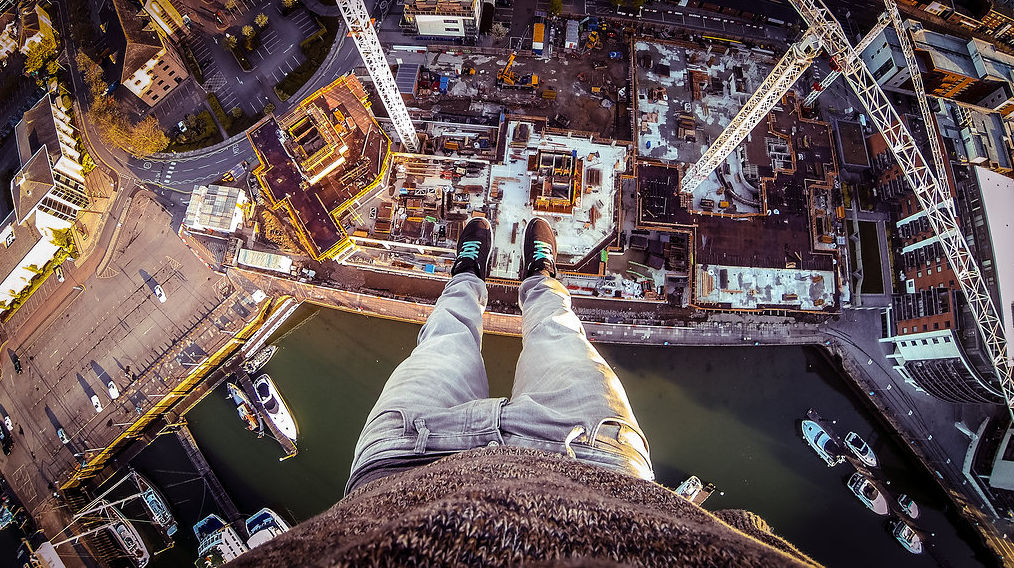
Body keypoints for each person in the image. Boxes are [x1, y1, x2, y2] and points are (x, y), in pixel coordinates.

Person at [235, 218, 822, 568]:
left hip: (401, 463)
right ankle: (539, 279)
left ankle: (468, 275)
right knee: (559, 331)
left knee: (445, 336)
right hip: (591, 462)